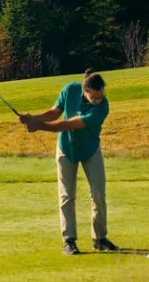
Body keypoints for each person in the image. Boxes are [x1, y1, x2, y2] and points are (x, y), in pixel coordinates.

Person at [19, 69, 116, 255]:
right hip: (66, 149)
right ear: (84, 90)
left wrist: (39, 126)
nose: (98, 100)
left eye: (100, 96)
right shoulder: (70, 90)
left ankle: (100, 239)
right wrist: (34, 118)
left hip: (90, 149)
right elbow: (55, 112)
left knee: (98, 194)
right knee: (66, 196)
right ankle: (69, 241)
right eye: (94, 97)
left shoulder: (102, 108)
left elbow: (68, 124)